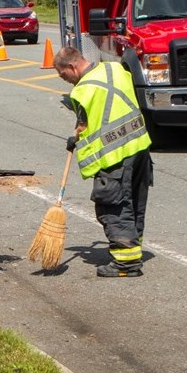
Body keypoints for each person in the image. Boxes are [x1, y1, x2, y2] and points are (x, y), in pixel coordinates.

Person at [53, 46, 153, 278]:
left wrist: (75, 138)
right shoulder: (115, 69)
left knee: (114, 206)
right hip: (139, 146)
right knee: (135, 203)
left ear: (72, 66)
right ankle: (132, 249)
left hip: (113, 155)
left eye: (63, 75)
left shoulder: (81, 92)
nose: (65, 80)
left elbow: (84, 126)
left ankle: (125, 264)